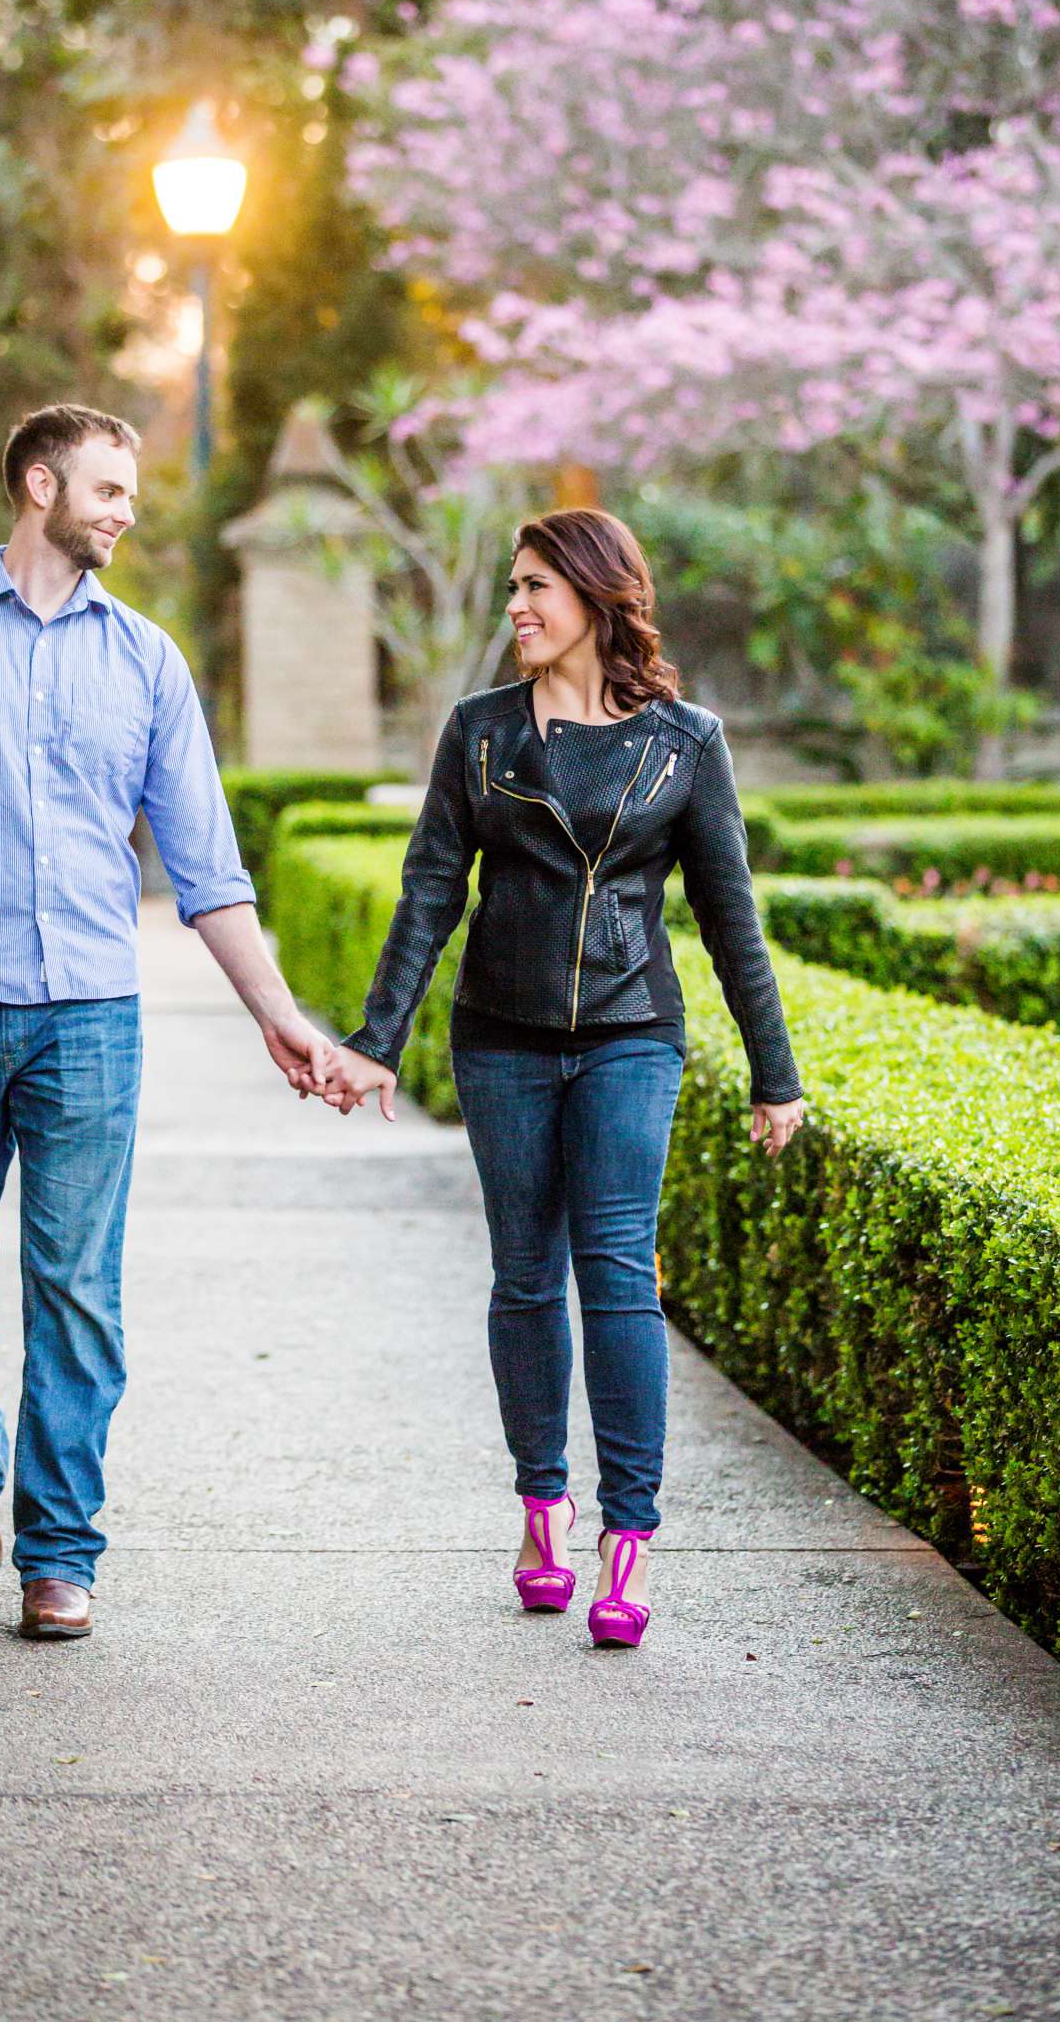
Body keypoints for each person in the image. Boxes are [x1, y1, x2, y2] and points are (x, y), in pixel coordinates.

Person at [0, 402, 339, 1641]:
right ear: (38, 485)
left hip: (91, 1023)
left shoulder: (146, 662)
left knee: (76, 1288)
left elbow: (206, 866)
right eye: (110, 490)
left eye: (129, 493)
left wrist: (278, 1017)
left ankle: (59, 1552)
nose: (126, 511)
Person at [313, 508, 804, 1648]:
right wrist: (376, 1040)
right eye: (512, 588)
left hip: (634, 1032)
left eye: (536, 587)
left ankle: (625, 1542)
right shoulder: (481, 734)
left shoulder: (685, 742)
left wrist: (774, 1074)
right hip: (502, 1038)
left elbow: (732, 921)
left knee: (618, 1272)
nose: (517, 609)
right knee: (526, 1276)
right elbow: (430, 889)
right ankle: (542, 1506)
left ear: (595, 596)